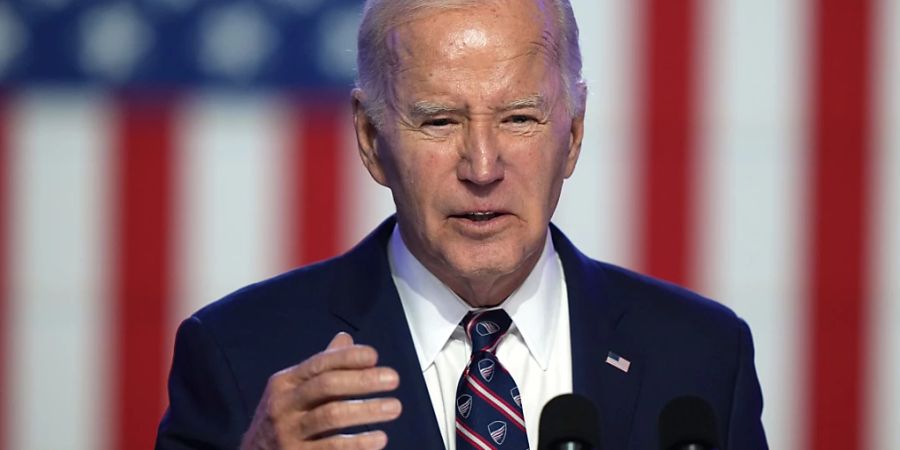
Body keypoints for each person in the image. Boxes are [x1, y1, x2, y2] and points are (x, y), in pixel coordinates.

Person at [155, 0, 768, 449]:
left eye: (520, 119)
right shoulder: (242, 356)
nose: (482, 167)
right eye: (440, 121)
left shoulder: (701, 355)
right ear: (371, 140)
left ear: (574, 134)